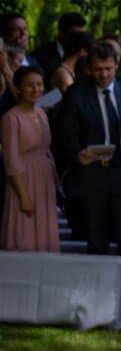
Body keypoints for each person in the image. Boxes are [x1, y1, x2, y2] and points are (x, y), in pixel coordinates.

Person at [57, 40, 121, 254]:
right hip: (93, 173)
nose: (103, 74)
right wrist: (77, 155)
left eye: (108, 68)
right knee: (97, 239)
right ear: (90, 68)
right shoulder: (76, 94)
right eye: (98, 69)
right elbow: (67, 134)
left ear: (116, 64)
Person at [2, 67, 59, 251]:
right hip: (24, 180)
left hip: (44, 180)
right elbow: (11, 160)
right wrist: (23, 196)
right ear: (19, 88)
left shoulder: (42, 113)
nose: (36, 90)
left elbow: (47, 150)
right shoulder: (11, 118)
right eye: (29, 85)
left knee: (45, 233)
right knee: (25, 232)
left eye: (39, 85)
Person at [31, 11, 85, 84]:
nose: (79, 39)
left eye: (82, 35)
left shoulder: (83, 56)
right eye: (75, 35)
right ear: (61, 32)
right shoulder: (41, 55)